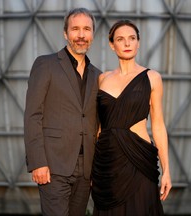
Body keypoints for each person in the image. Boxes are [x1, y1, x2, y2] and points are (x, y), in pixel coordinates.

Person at [24, 8, 101, 216]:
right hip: (53, 165)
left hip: (86, 170)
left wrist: (97, 169)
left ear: (93, 34)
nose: (81, 35)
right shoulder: (45, 64)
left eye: (86, 29)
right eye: (75, 29)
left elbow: (96, 124)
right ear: (65, 33)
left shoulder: (98, 76)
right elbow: (33, 115)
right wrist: (38, 162)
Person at [91, 19, 172, 215]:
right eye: (120, 39)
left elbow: (158, 124)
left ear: (138, 42)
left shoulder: (152, 77)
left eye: (132, 38)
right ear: (112, 45)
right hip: (108, 160)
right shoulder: (102, 79)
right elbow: (99, 128)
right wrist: (93, 166)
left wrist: (167, 169)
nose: (127, 43)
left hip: (139, 159)